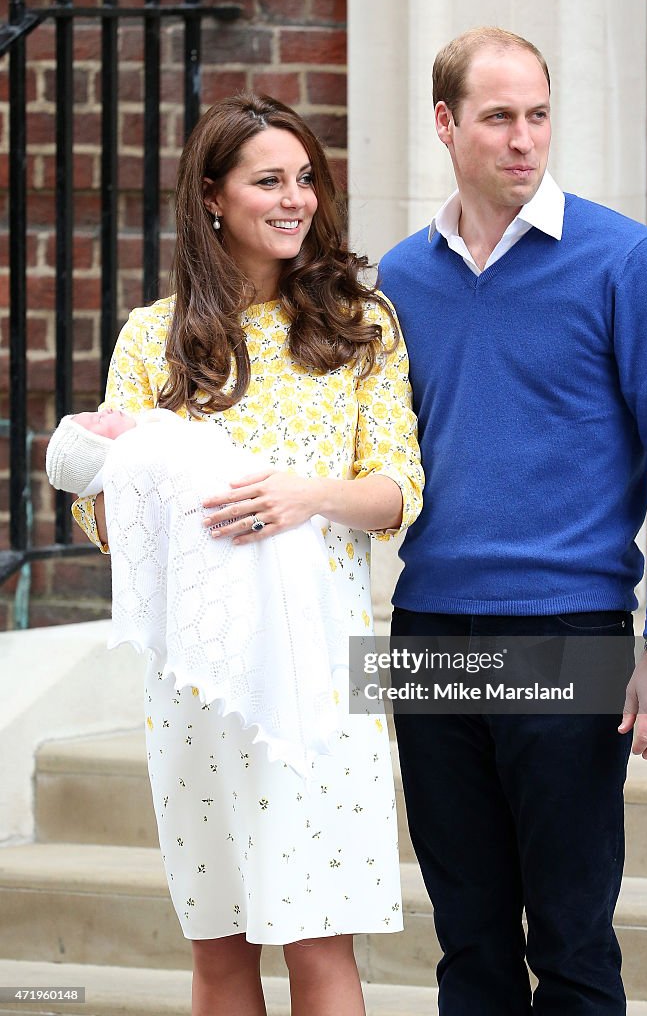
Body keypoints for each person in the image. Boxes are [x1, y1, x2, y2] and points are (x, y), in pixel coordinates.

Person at [378, 27, 647, 1016]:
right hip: (429, 632)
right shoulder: (399, 279)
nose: (523, 139)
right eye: (497, 117)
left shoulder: (626, 261)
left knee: (570, 944)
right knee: (468, 942)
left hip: (566, 630)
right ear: (444, 124)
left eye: (536, 115)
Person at [67, 93, 423, 1016]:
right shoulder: (155, 335)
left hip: (317, 675)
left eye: (306, 179)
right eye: (269, 179)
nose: (295, 198)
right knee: (220, 950)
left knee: (318, 945)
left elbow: (397, 491)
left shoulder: (358, 324)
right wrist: (116, 479)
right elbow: (101, 520)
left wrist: (306, 497)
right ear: (213, 198)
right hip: (195, 680)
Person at [46, 408, 350, 776]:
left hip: (345, 596)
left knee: (347, 770)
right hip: (212, 631)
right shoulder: (146, 383)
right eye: (93, 420)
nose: (104, 410)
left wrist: (313, 497)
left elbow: (405, 494)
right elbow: (98, 510)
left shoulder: (373, 352)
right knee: (222, 805)